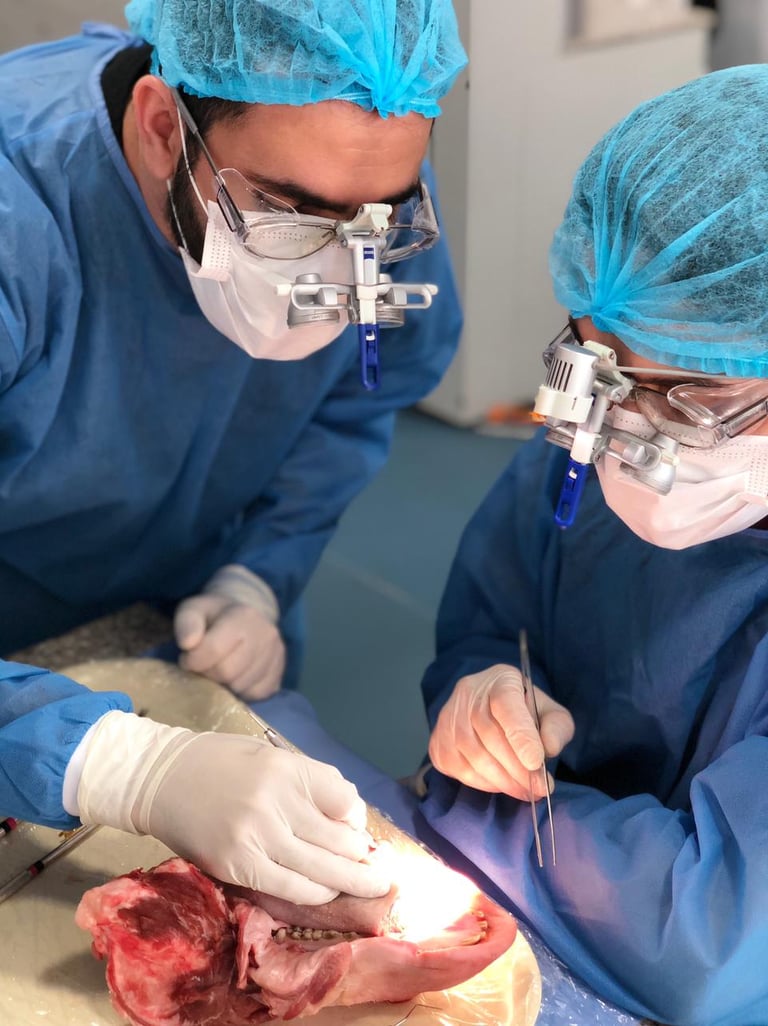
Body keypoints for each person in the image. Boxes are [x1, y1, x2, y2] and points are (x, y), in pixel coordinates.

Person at [0, 0, 466, 905]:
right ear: (162, 126)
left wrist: (259, 572)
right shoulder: (23, 220)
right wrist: (117, 764)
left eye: (374, 220)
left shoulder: (358, 181)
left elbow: (358, 401)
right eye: (289, 215)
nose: (339, 275)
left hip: (188, 601)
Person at [416, 66, 768, 1025]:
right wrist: (477, 697)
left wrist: (467, 807)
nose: (624, 431)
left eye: (688, 399)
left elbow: (710, 943)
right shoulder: (599, 430)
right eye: (597, 365)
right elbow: (490, 617)